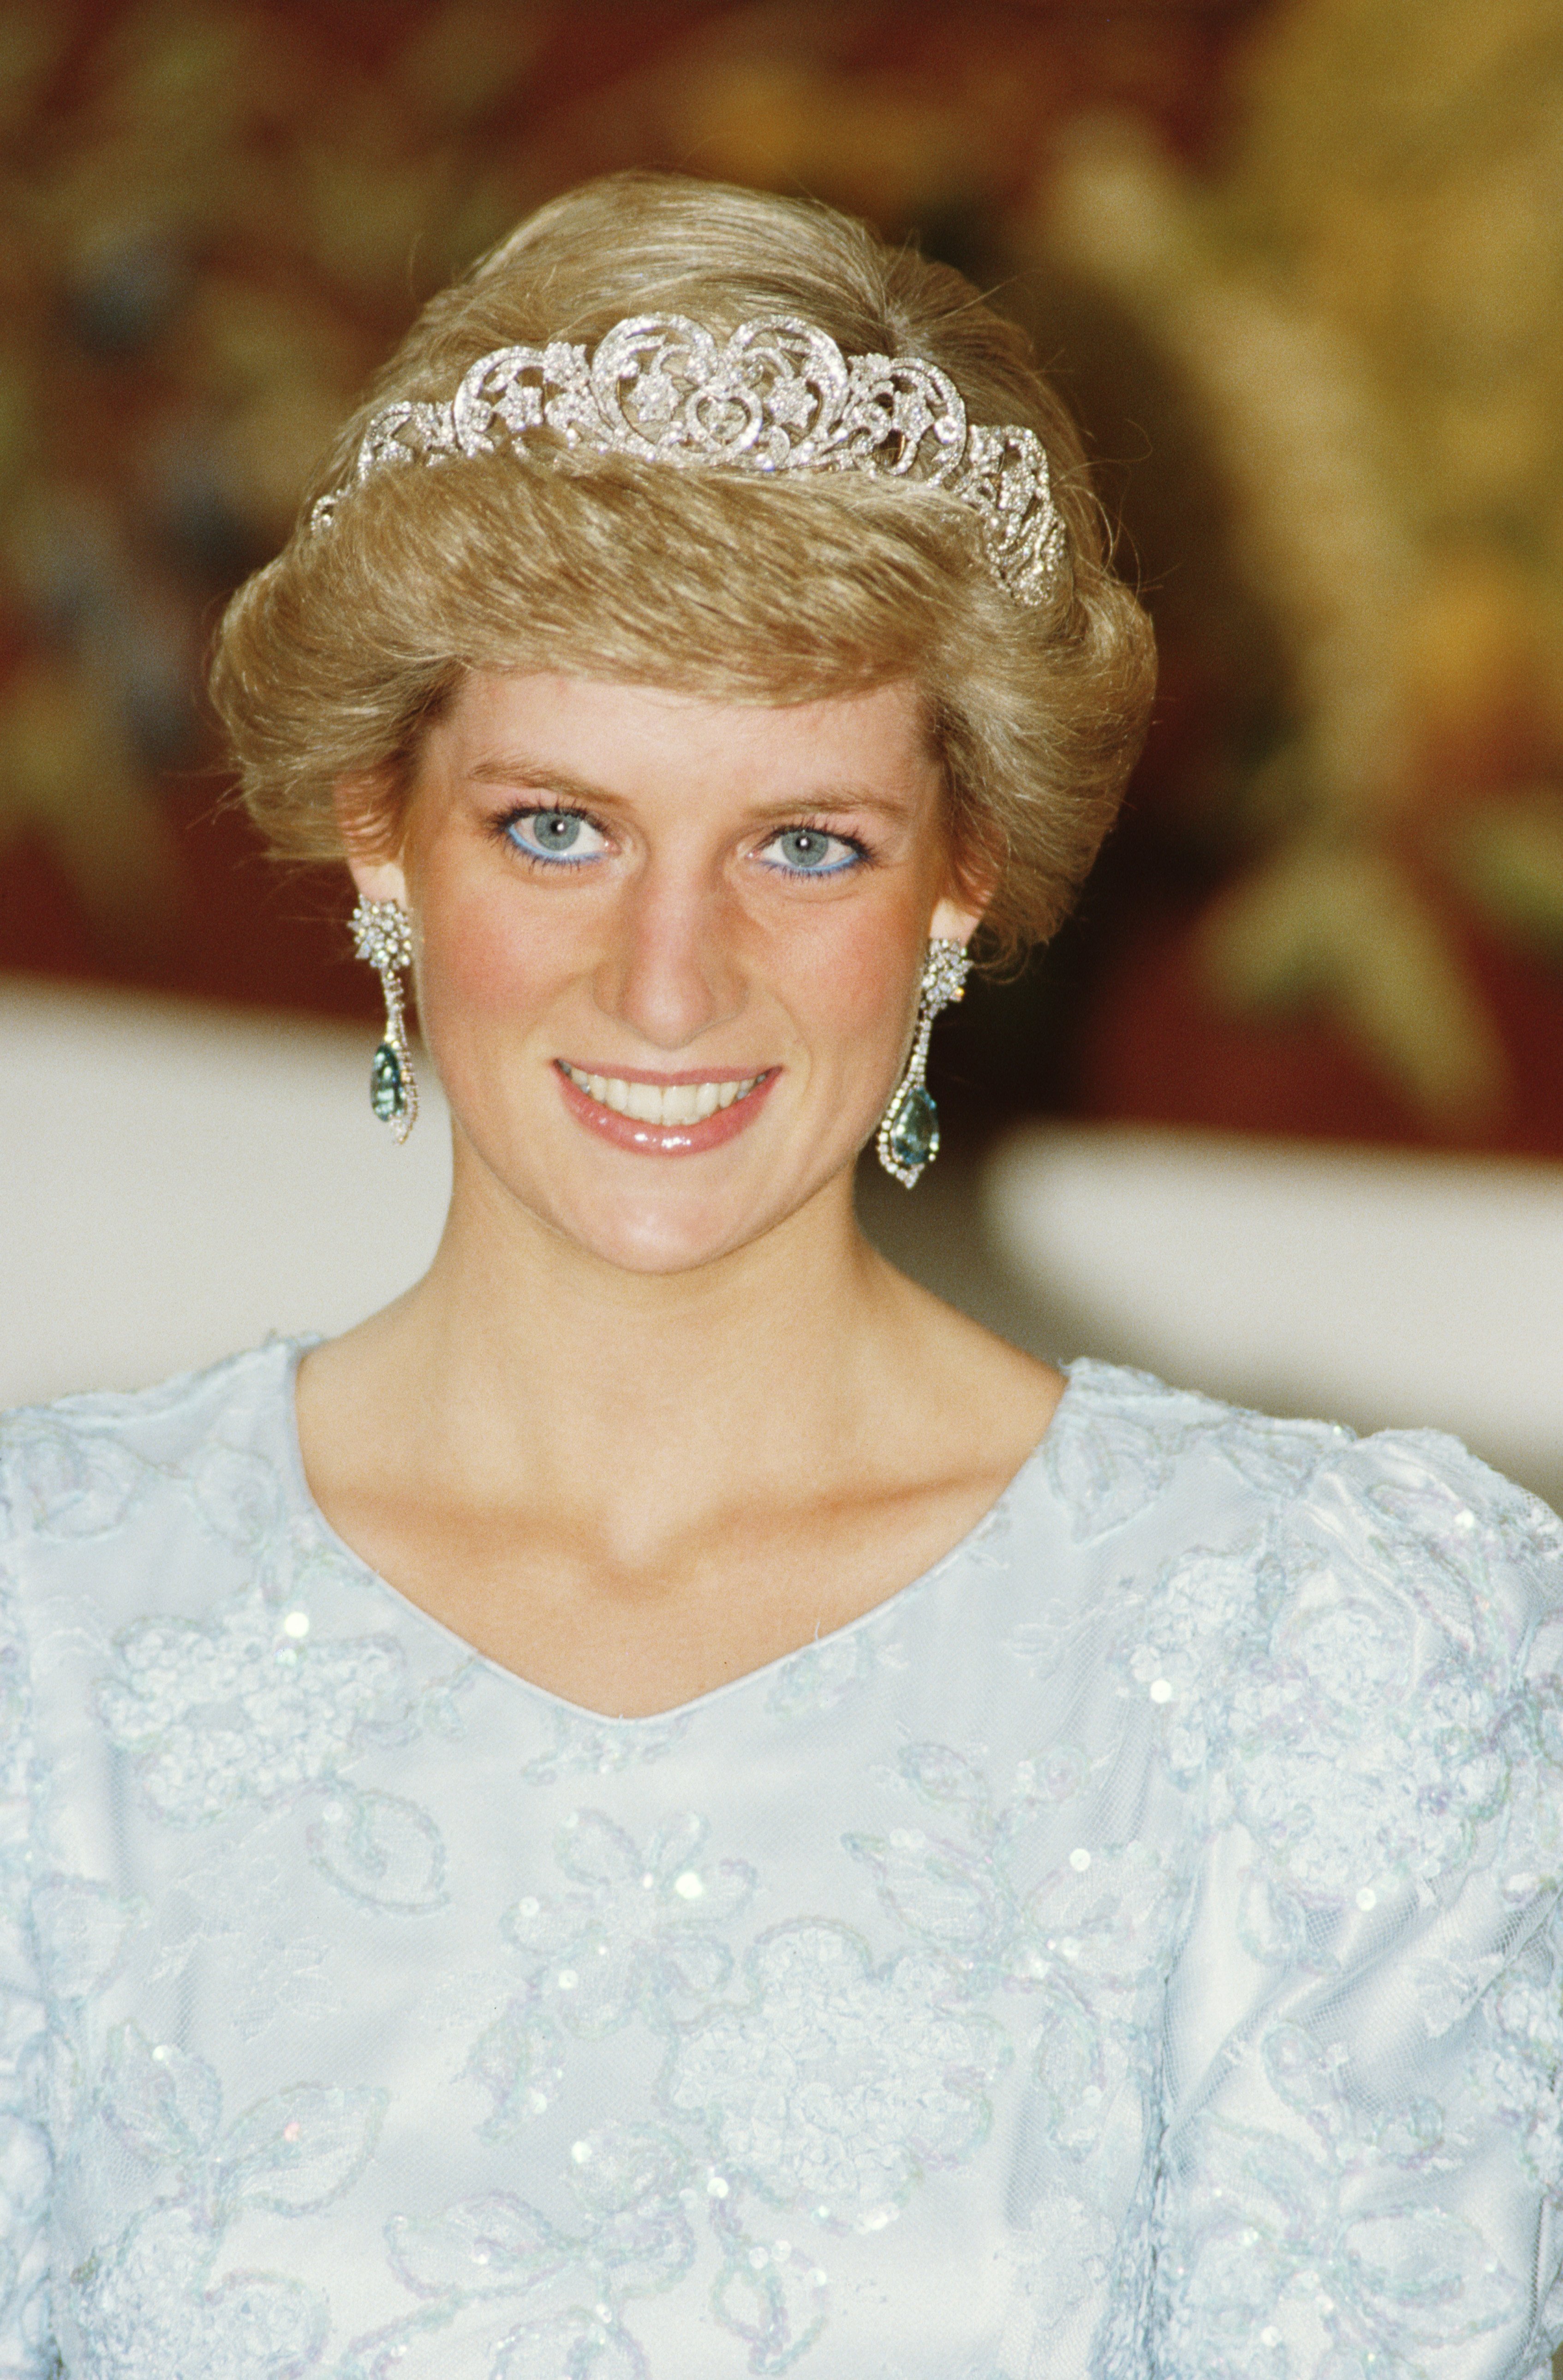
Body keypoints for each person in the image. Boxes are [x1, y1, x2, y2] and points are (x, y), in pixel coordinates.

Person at [2, 171, 1561, 2380]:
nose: (667, 981)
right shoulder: (43, 1643)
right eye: (558, 825)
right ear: (380, 830)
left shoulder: (1324, 1667)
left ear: (961, 876)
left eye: (802, 843)